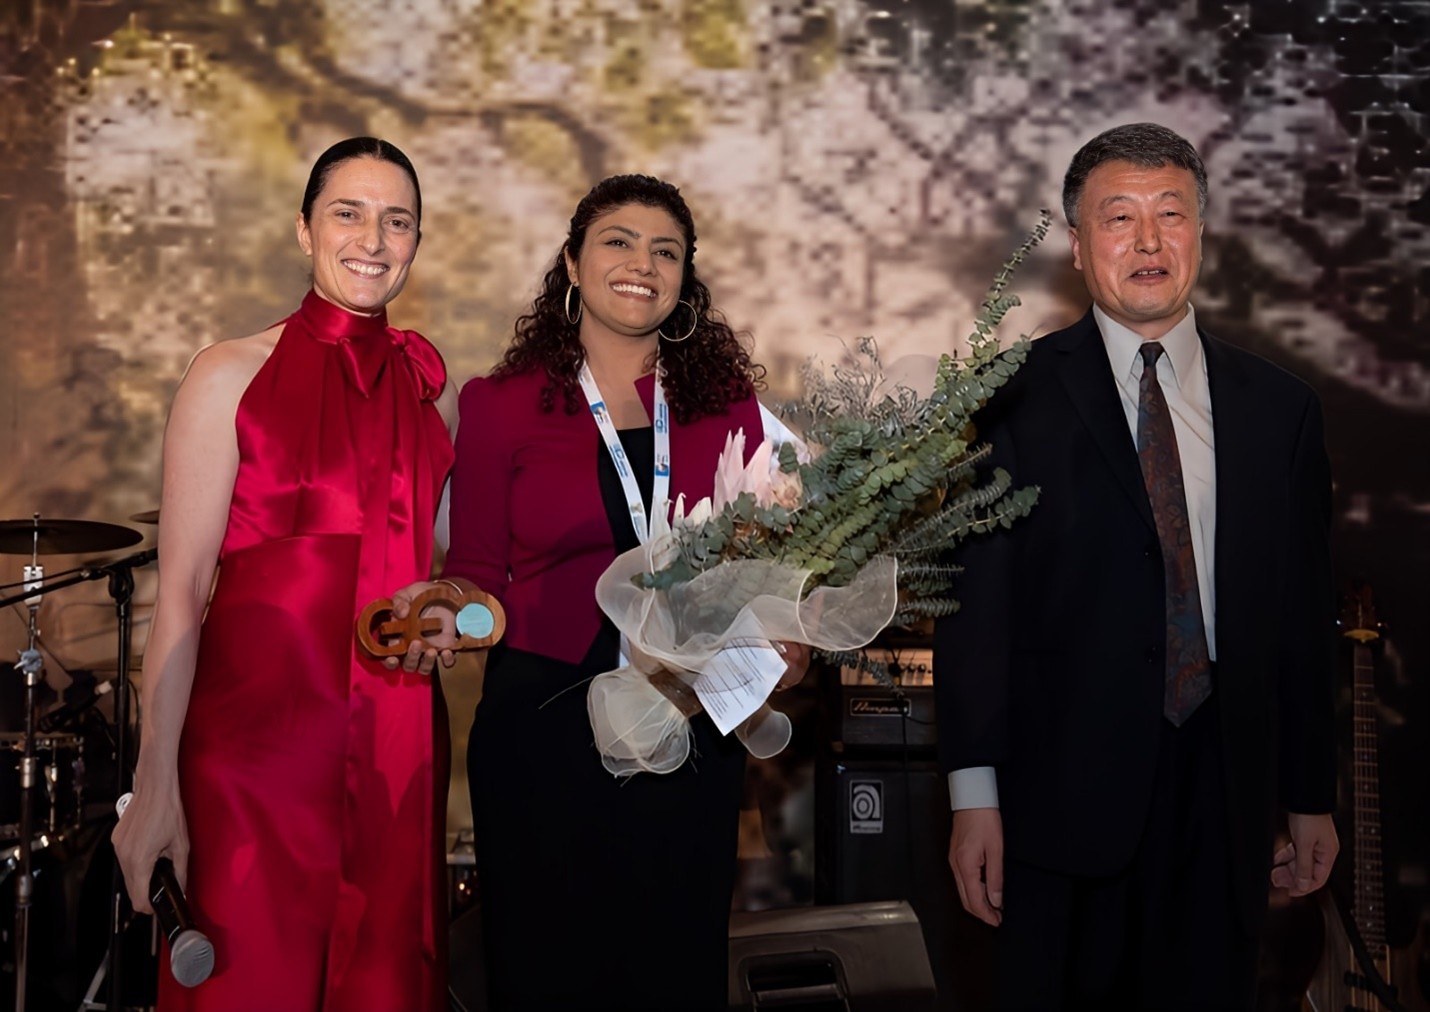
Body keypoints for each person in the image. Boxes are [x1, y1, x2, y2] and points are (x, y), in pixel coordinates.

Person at [934, 123, 1339, 1010]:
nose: (1148, 241)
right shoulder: (1009, 399)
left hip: (1226, 799)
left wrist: (1311, 793)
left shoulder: (1283, 412)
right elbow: (978, 615)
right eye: (1119, 218)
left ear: (1203, 234)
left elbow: (1305, 620)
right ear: (1078, 248)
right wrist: (974, 796)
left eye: (1171, 214)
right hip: (1058, 804)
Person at [394, 174, 809, 1011]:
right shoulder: (498, 405)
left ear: (685, 281)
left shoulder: (729, 411)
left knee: (673, 971)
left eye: (667, 251)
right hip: (543, 734)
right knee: (546, 974)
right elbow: (478, 571)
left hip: (687, 726)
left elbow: (769, 563)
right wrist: (451, 613)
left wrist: (785, 634)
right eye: (618, 241)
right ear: (573, 266)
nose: (642, 263)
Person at [112, 137, 458, 1010]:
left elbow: (451, 570)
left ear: (416, 240)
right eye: (348, 213)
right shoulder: (227, 374)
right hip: (250, 766)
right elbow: (182, 594)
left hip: (397, 757)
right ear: (303, 229)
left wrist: (455, 601)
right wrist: (155, 784)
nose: (372, 239)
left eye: (397, 221)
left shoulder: (432, 393)